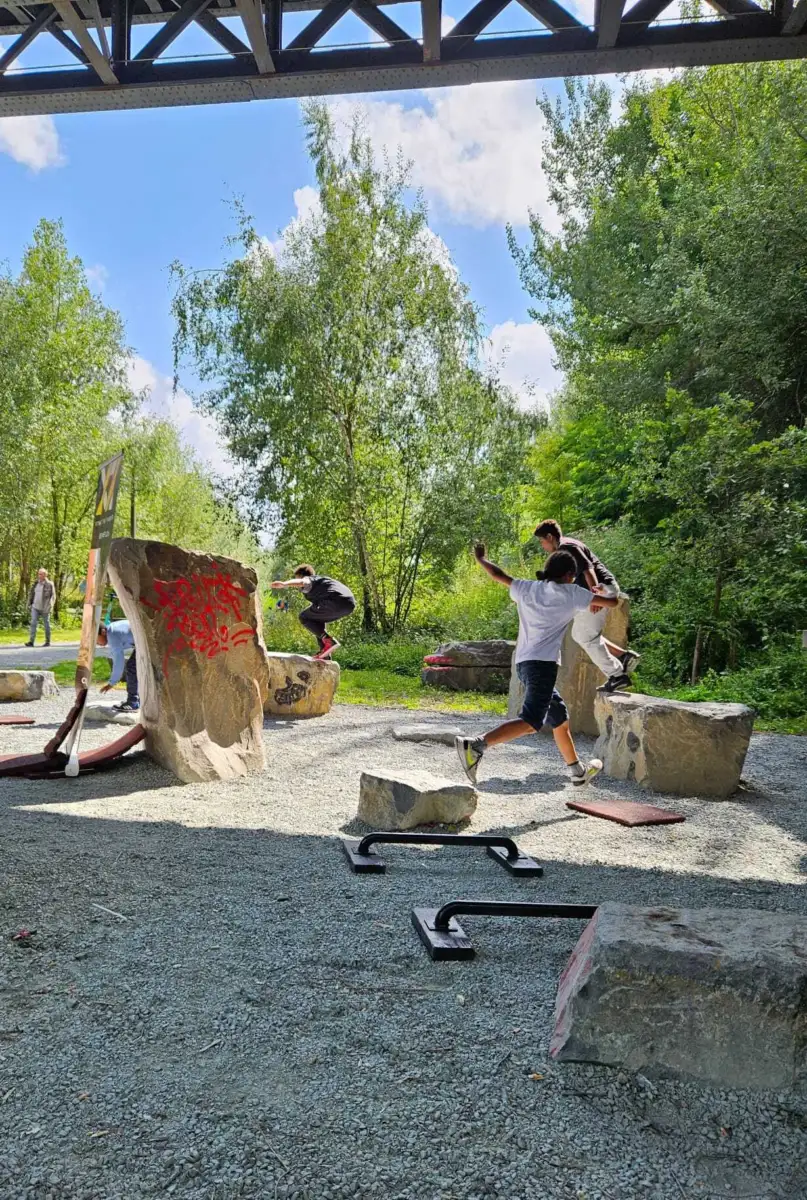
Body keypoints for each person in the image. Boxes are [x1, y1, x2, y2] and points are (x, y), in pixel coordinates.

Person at [456, 544, 620, 786]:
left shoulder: (527, 588)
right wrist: (598, 591)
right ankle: (477, 745)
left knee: (559, 716)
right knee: (531, 722)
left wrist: (481, 559)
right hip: (543, 666)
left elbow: (499, 575)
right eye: (573, 576)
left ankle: (578, 772)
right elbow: (613, 602)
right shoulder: (573, 593)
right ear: (568, 576)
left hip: (523, 664)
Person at [534, 519, 639, 694]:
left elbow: (588, 568)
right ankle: (623, 655)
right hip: (596, 591)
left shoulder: (567, 547)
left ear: (550, 537)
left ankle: (617, 675)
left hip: (600, 590)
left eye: (542, 541)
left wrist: (595, 594)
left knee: (586, 636)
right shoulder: (567, 545)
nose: (542, 545)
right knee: (582, 634)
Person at [270, 565, 356, 660]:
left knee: (304, 617)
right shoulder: (322, 583)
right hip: (349, 604)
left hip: (334, 600)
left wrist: (284, 584)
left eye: (296, 578)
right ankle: (325, 653)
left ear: (301, 575)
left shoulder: (310, 579)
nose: (299, 588)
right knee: (316, 622)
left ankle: (329, 641)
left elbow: (303, 582)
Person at [96, 620, 139, 712]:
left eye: (96, 639)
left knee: (131, 667)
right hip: (142, 643)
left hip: (145, 641)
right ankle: (136, 699)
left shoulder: (112, 635)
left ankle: (133, 702)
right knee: (135, 667)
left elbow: (119, 661)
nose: (96, 643)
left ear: (103, 632)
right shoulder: (113, 630)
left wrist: (112, 683)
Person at [25, 568, 55, 648]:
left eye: (41, 574)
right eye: (39, 574)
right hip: (35, 607)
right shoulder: (35, 583)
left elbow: (53, 596)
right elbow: (31, 594)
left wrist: (50, 606)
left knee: (46, 624)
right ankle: (31, 642)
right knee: (33, 623)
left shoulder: (50, 584)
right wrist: (29, 604)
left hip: (45, 608)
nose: (39, 575)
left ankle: (47, 641)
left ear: (45, 575)